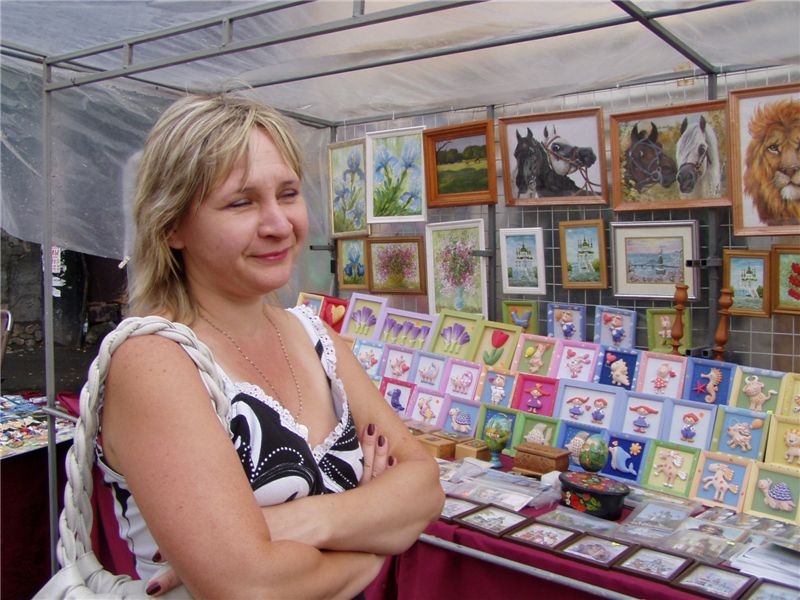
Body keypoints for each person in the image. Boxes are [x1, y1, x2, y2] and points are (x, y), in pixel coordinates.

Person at [99, 94, 444, 598]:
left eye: (288, 194)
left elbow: (425, 485)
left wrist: (301, 522)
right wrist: (376, 540)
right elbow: (250, 588)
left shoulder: (315, 337)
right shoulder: (156, 359)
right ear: (171, 225)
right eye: (241, 202)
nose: (279, 225)